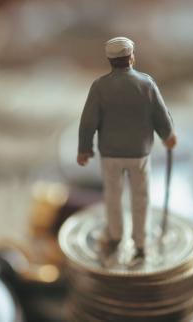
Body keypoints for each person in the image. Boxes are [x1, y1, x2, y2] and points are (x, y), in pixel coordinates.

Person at [77, 36, 176, 260]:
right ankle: (140, 241)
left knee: (113, 196)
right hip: (139, 153)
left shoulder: (99, 86)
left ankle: (115, 235)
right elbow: (160, 115)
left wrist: (84, 149)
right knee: (141, 197)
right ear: (131, 57)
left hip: (110, 153)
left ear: (109, 60)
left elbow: (88, 122)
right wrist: (167, 136)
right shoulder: (146, 83)